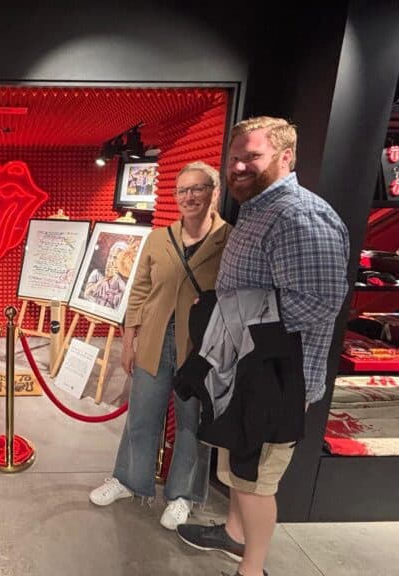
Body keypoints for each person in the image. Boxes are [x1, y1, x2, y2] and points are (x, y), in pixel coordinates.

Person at [176, 117, 349, 576]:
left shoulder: (298, 215)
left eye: (251, 156)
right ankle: (234, 536)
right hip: (248, 371)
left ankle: (252, 569)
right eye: (233, 157)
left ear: (285, 156)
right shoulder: (256, 210)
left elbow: (318, 303)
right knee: (239, 465)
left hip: (278, 377)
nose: (237, 166)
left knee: (256, 481)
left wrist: (231, 314)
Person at [89, 161, 231, 530]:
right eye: (182, 190)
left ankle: (182, 495)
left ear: (214, 192)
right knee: (141, 415)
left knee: (190, 422)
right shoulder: (158, 237)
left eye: (197, 189)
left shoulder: (229, 239)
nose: (189, 197)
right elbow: (138, 289)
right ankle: (129, 480)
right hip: (154, 337)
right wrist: (129, 337)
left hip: (200, 347)